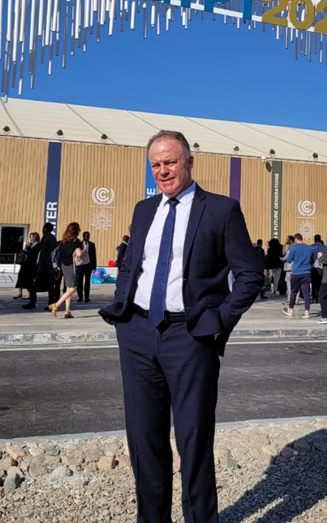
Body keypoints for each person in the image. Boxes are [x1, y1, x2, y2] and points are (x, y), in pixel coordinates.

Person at [98, 130, 262, 523]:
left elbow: (250, 275)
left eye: (170, 162)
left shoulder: (221, 210)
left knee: (193, 442)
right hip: (138, 333)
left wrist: (219, 321)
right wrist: (123, 307)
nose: (162, 170)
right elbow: (130, 265)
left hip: (190, 336)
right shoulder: (143, 209)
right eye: (155, 164)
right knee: (143, 442)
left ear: (189, 161)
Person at [51, 222, 83, 318]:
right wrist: (85, 250)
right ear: (76, 231)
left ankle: (67, 311)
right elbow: (79, 254)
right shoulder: (76, 241)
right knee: (73, 288)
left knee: (68, 288)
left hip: (63, 265)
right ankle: (56, 305)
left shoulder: (63, 241)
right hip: (71, 266)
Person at [25, 222, 57, 310]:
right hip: (51, 265)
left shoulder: (46, 238)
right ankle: (51, 304)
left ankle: (32, 301)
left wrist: (40, 265)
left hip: (45, 265)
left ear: (45, 229)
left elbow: (43, 253)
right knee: (50, 286)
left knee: (33, 283)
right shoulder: (53, 238)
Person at [283, 233, 313, 317]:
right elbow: (312, 260)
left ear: (295, 239)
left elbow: (289, 260)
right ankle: (307, 311)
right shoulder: (309, 248)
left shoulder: (294, 247)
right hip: (306, 272)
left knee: (293, 291)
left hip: (296, 272)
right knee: (306, 292)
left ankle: (290, 309)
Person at [16, 232, 40, 303]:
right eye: (30, 237)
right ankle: (20, 293)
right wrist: (26, 247)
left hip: (31, 265)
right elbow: (25, 252)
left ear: (36, 237)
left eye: (32, 237)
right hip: (25, 264)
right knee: (20, 277)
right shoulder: (29, 245)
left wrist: (28, 248)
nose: (31, 238)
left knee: (29, 280)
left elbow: (34, 254)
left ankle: (30, 294)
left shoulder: (38, 245)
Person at [77, 231, 97, 303]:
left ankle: (87, 297)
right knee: (80, 281)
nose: (87, 237)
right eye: (86, 236)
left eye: (88, 236)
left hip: (89, 265)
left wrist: (94, 266)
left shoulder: (92, 244)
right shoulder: (79, 244)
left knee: (87, 282)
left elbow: (94, 255)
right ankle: (80, 297)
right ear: (83, 236)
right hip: (81, 265)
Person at [309, 233, 326, 303]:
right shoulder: (324, 247)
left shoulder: (310, 247)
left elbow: (309, 258)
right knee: (320, 283)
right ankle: (319, 297)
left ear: (314, 239)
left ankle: (314, 297)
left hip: (313, 267)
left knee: (313, 283)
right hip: (322, 267)